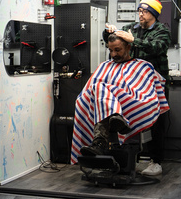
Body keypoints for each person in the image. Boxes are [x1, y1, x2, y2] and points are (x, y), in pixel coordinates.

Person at [70, 34, 169, 164]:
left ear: (128, 47)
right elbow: (88, 92)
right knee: (99, 88)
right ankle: (114, 117)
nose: (113, 54)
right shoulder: (104, 66)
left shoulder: (143, 66)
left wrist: (116, 93)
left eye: (117, 50)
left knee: (101, 89)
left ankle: (100, 142)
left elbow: (148, 94)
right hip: (103, 104)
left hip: (133, 103)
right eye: (110, 50)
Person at [104, 0, 172, 176]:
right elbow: (115, 42)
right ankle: (130, 157)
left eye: (145, 11)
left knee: (156, 122)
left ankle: (156, 161)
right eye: (139, 11)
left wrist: (134, 40)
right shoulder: (131, 28)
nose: (140, 14)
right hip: (134, 83)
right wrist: (110, 32)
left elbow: (157, 47)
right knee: (129, 117)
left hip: (155, 83)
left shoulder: (162, 30)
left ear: (154, 14)